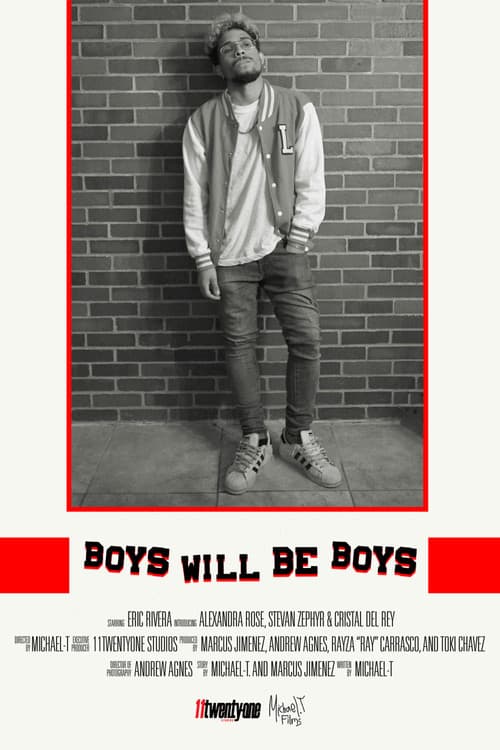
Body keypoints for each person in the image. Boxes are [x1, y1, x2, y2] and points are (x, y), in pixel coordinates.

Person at [182, 13, 342, 495]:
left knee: (307, 341)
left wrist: (299, 237)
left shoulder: (296, 107)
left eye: (246, 43)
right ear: (219, 67)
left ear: (262, 55)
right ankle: (255, 438)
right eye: (228, 48)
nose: (239, 50)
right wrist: (202, 258)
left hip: (285, 247)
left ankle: (297, 436)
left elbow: (312, 178)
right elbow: (193, 195)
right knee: (239, 348)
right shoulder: (202, 121)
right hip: (229, 256)